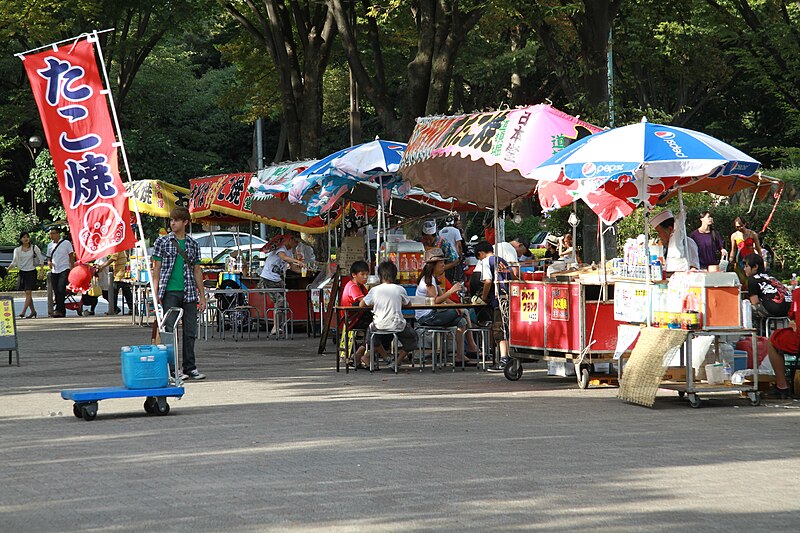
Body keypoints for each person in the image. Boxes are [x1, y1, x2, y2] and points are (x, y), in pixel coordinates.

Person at [151, 207, 207, 380]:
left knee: (190, 332)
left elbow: (197, 270)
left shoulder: (193, 244)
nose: (172, 223)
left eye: (176, 220)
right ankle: (174, 370)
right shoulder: (162, 242)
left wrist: (202, 296)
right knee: (170, 332)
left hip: (190, 292)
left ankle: (190, 367)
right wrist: (155, 293)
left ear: (185, 222)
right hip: (170, 292)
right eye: (171, 220)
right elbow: (156, 269)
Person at [415, 248, 479, 365]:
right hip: (427, 317)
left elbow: (446, 299)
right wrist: (452, 290)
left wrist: (456, 305)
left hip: (434, 315)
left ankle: (460, 355)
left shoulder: (434, 279)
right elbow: (436, 301)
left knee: (462, 321)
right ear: (433, 265)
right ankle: (472, 346)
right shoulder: (427, 281)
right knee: (464, 311)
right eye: (441, 263)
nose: (444, 265)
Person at [360, 261, 418, 367]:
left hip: (378, 325)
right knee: (413, 338)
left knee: (372, 336)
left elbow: (361, 304)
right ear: (395, 275)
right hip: (397, 325)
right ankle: (397, 361)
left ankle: (386, 357)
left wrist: (375, 303)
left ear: (380, 276)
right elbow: (408, 304)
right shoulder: (400, 289)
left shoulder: (375, 290)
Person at [340, 260, 384, 368]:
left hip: (360, 317)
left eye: (367, 274)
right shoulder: (353, 287)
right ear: (354, 275)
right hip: (353, 319)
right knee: (381, 327)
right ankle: (369, 355)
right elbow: (364, 302)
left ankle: (358, 355)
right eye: (362, 274)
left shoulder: (361, 286)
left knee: (381, 326)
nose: (365, 277)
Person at [474, 241, 511, 371]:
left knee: (499, 329)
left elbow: (488, 281)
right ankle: (507, 357)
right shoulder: (501, 260)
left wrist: (483, 298)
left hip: (498, 300)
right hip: (508, 297)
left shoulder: (485, 262)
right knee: (506, 327)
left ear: (480, 254)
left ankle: (504, 359)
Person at [258, 233, 305, 325]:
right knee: (280, 302)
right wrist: (297, 261)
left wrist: (304, 270)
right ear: (290, 240)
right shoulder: (281, 248)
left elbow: (293, 267)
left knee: (282, 304)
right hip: (268, 278)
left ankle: (277, 326)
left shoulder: (290, 251)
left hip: (278, 280)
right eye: (295, 242)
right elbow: (284, 257)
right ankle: (276, 326)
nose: (296, 244)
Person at [765, 287, 800, 399]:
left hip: (798, 341)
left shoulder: (797, 293)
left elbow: (792, 317)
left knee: (773, 339)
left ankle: (782, 386)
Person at [743, 253, 790, 320]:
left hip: (774, 310)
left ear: (755, 267)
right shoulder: (770, 277)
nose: (744, 269)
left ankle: (758, 329)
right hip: (788, 309)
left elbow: (755, 302)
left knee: (745, 309)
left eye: (746, 266)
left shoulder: (752, 279)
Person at [9, 231, 45, 318]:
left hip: (31, 271)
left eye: (27, 237)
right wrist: (7, 270)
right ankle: (33, 311)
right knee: (27, 294)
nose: (26, 239)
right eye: (24, 237)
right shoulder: (17, 250)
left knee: (28, 292)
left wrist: (41, 272)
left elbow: (41, 260)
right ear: (21, 239)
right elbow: (14, 262)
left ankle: (23, 311)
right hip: (22, 272)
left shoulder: (34, 248)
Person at [46, 226, 75, 318]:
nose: (51, 235)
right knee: (56, 291)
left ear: (58, 234)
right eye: (50, 233)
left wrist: (72, 269)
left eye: (53, 233)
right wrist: (49, 262)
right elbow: (49, 257)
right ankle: (60, 310)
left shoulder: (66, 243)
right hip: (55, 270)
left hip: (64, 268)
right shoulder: (50, 245)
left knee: (61, 289)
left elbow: (71, 256)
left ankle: (60, 310)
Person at [97, 250, 133, 315]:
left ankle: (114, 309)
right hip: (122, 274)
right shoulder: (122, 250)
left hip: (119, 275)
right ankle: (132, 309)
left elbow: (112, 259)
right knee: (127, 293)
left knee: (113, 293)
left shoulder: (118, 250)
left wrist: (101, 266)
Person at [730, 217, 762, 284]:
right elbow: (733, 249)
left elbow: (758, 248)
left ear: (745, 224)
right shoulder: (734, 235)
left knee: (752, 276)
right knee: (741, 278)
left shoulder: (752, 234)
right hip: (740, 258)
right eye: (737, 227)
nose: (739, 228)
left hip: (751, 257)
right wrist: (731, 259)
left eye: (741, 226)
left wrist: (761, 259)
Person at [438, 214, 464, 281]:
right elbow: (459, 245)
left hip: (443, 256)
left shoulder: (440, 231)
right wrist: (460, 256)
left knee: (445, 276)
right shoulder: (456, 231)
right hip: (454, 257)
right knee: (456, 276)